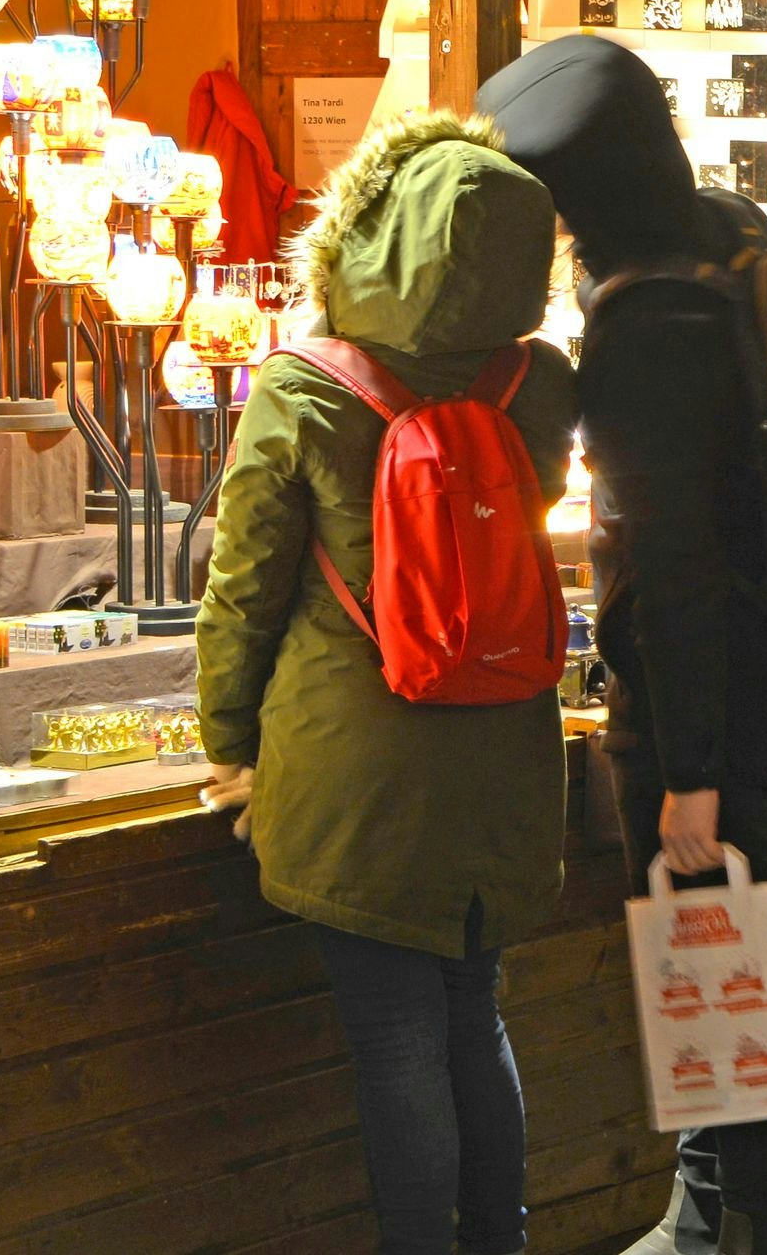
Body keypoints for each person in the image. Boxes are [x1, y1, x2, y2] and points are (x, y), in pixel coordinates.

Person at [480, 36, 767, 1255]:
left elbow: (674, 568)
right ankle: (710, 1215)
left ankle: (739, 1233)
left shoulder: (647, 332)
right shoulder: (736, 244)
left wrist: (686, 771)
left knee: (714, 965)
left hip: (709, 708)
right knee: (723, 963)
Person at [194, 110, 577, 1255]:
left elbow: (243, 592)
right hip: (504, 752)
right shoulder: (538, 386)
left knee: (394, 1036)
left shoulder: (304, 389)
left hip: (352, 768)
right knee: (474, 1014)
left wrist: (227, 747)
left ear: (362, 232)